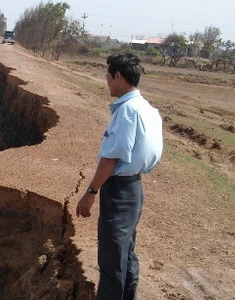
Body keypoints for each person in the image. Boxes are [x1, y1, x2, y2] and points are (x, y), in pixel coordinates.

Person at [76, 53, 163, 300]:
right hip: (134, 188)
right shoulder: (147, 108)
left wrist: (90, 193)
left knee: (112, 259)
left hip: (119, 191)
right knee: (126, 253)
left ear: (118, 76)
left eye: (107, 75)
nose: (106, 81)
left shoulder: (126, 111)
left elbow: (111, 158)